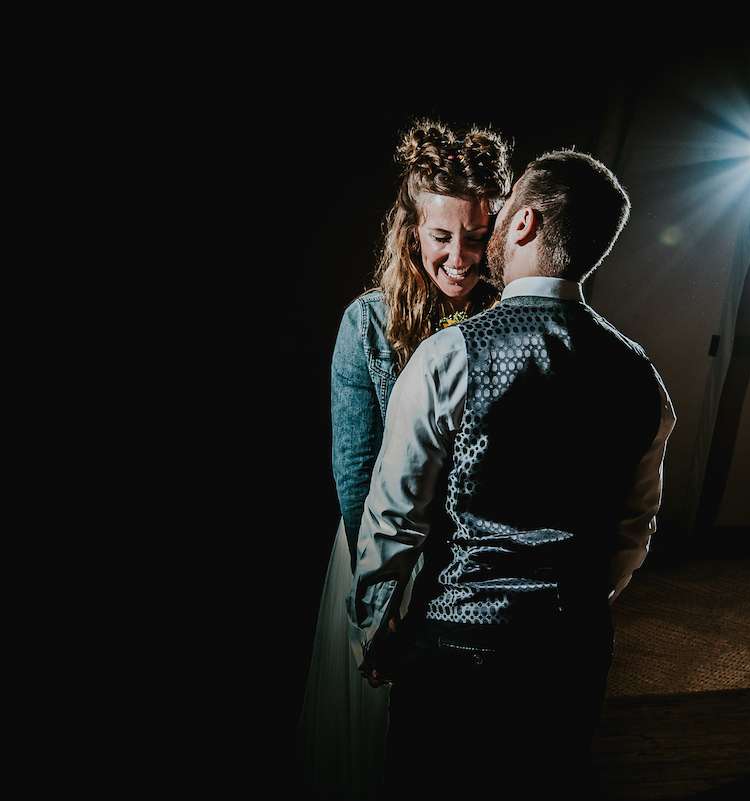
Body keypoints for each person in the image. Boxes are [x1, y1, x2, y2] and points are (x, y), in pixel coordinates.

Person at [349, 149, 676, 798]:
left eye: (501, 217)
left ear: (523, 223)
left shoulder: (449, 357)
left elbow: (394, 515)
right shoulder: (642, 377)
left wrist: (372, 630)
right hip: (572, 652)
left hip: (455, 648)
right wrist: (577, 605)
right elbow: (633, 530)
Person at [297, 118, 512, 800]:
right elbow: (356, 468)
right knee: (378, 727)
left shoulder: (510, 318)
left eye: (476, 236)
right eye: (442, 235)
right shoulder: (367, 321)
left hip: (472, 551)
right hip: (383, 542)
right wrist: (380, 595)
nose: (459, 256)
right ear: (411, 230)